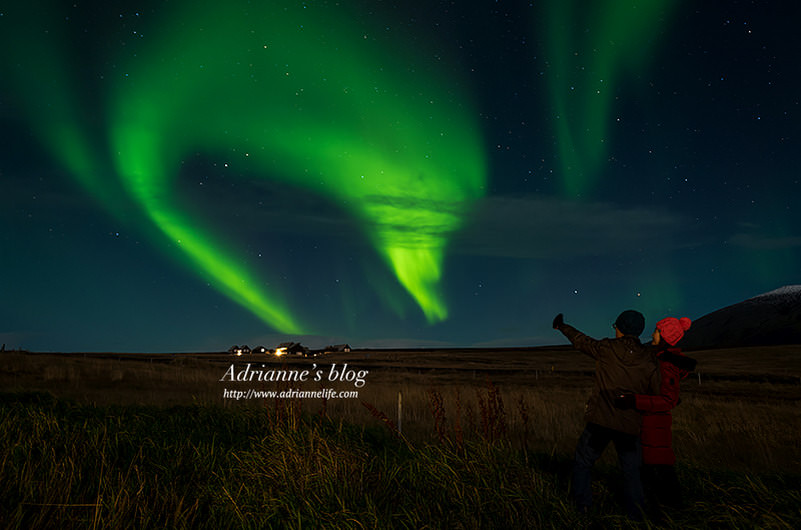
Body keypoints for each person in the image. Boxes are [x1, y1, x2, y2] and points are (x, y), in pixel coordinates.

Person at [553, 310, 661, 519]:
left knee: (583, 461)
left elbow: (580, 340)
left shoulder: (606, 348)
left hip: (600, 421)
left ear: (620, 329)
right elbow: (655, 392)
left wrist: (562, 326)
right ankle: (636, 514)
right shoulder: (649, 359)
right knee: (632, 470)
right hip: (630, 425)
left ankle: (582, 508)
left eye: (616, 327)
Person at [614, 316, 697, 513]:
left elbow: (667, 400)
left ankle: (667, 515)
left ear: (665, 336)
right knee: (655, 474)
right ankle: (662, 513)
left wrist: (634, 400)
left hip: (655, 429)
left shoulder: (666, 364)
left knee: (660, 475)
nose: (652, 334)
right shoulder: (663, 359)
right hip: (652, 427)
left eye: (657, 331)